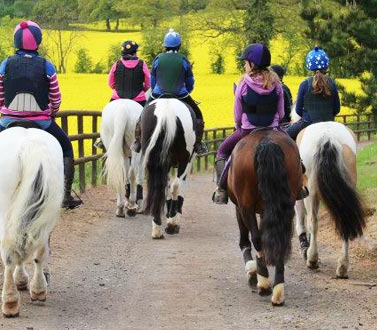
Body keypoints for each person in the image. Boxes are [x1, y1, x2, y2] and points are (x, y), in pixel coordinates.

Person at [0, 20, 82, 210]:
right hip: (41, 122)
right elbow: (56, 97)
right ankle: (65, 195)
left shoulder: (5, 64)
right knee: (66, 147)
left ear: (16, 42)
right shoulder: (47, 66)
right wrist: (51, 111)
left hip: (8, 120)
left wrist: (5, 110)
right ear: (38, 41)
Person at [211, 43, 285, 204]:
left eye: (245, 62)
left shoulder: (244, 83)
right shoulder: (276, 82)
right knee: (293, 149)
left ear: (252, 64)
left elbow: (237, 113)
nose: (244, 65)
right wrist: (275, 123)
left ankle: (222, 188)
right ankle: (299, 184)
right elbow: (281, 112)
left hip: (247, 129)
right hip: (272, 128)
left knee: (223, 152)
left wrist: (239, 127)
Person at [136, 28, 206, 154]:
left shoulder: (157, 59)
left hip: (158, 94)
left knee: (142, 115)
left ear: (165, 45)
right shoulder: (184, 59)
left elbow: (153, 80)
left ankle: (137, 142)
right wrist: (188, 90)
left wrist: (155, 90)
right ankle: (198, 144)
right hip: (180, 94)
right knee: (198, 115)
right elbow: (190, 80)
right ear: (179, 45)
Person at [285, 47, 341, 140]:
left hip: (308, 122)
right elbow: (337, 109)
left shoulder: (305, 84)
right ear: (326, 65)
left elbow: (298, 110)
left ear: (309, 66)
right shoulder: (332, 83)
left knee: (284, 136)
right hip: (329, 123)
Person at [108, 40, 151, 107]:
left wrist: (118, 89)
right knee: (146, 116)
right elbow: (148, 83)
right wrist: (142, 90)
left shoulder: (117, 64)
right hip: (138, 98)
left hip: (117, 97)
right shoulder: (142, 64)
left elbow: (110, 83)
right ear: (135, 52)